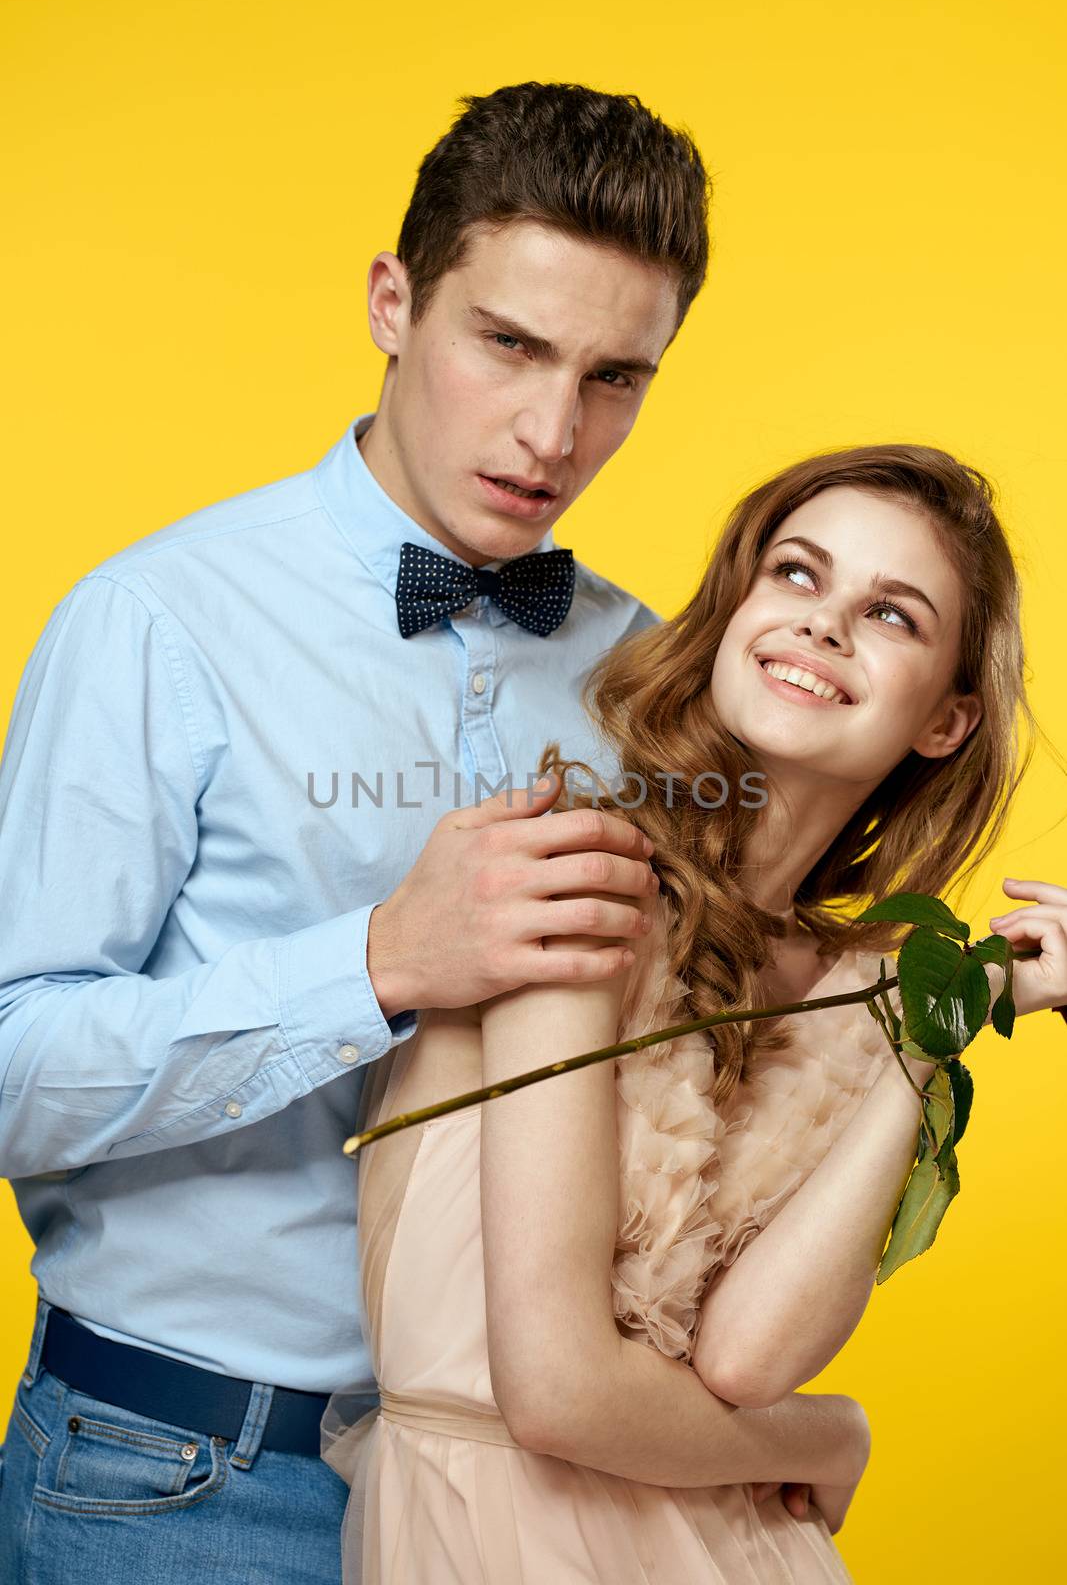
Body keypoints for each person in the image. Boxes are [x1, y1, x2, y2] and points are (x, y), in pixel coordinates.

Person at [0, 83, 710, 1583]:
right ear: (394, 302)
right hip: (178, 1480)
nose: (549, 430)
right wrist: (381, 961)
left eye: (611, 378)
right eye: (507, 344)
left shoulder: (647, 679)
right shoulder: (157, 624)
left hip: (524, 1495)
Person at [321, 444, 1067, 1582]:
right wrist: (833, 1434)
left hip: (735, 1547)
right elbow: (558, 1393)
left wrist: (934, 1028)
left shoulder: (860, 977)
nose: (822, 625)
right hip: (501, 1536)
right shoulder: (573, 878)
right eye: (797, 574)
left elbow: (747, 1354)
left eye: (891, 615)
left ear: (946, 723)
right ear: (733, 608)